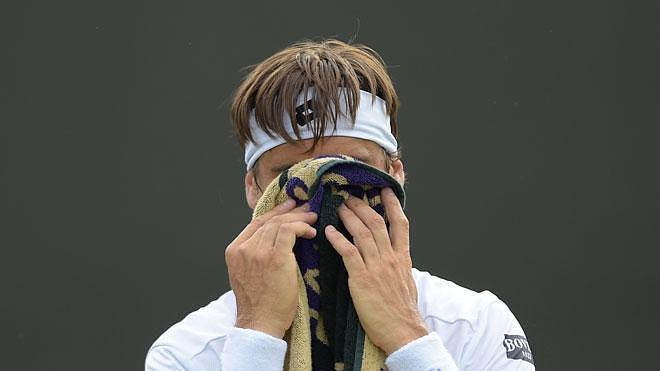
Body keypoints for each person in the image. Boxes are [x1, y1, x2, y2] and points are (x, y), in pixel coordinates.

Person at [145, 38, 535, 371]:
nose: (323, 188)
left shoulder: (473, 323)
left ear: (395, 174)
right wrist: (256, 333)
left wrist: (406, 335)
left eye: (351, 167)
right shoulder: (187, 351)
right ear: (253, 188)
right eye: (293, 172)